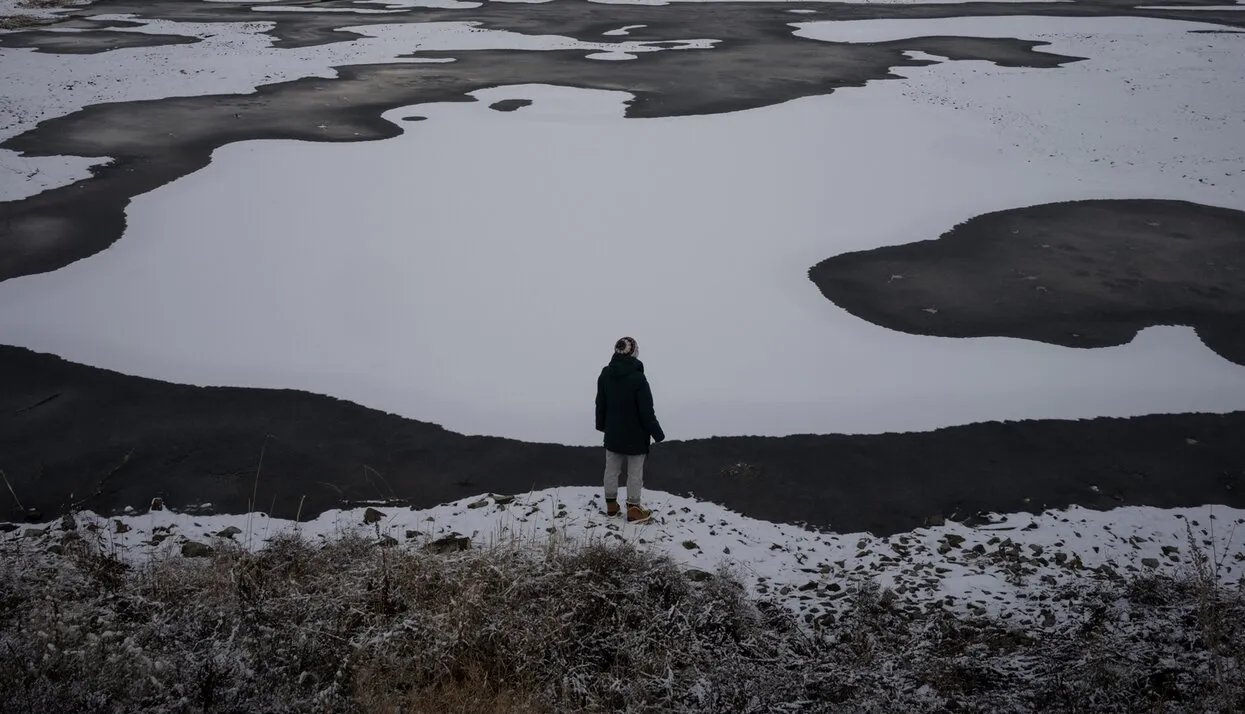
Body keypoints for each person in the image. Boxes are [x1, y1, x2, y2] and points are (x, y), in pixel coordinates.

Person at [595, 336, 666, 522]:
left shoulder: (605, 374)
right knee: (635, 473)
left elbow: (600, 404)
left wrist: (601, 425)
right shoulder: (638, 379)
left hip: (613, 432)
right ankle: (634, 509)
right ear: (633, 352)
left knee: (611, 470)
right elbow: (646, 411)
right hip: (636, 435)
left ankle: (611, 506)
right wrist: (657, 434)